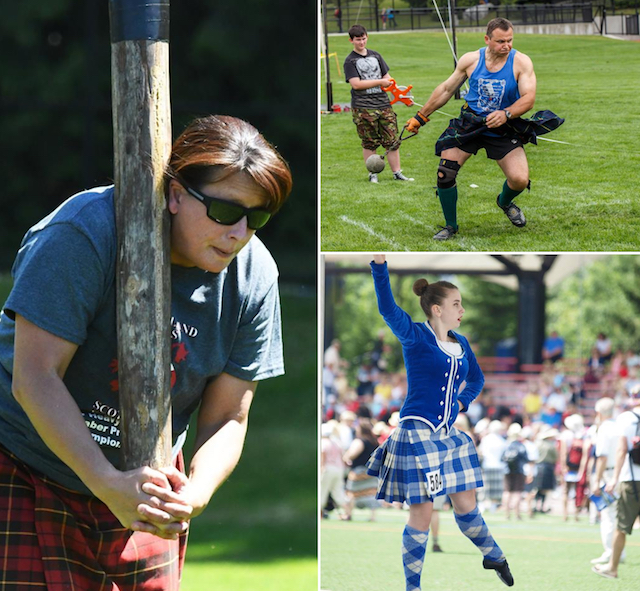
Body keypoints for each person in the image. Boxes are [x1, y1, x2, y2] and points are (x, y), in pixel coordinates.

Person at [0, 115, 292, 588]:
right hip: (23, 464)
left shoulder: (254, 279)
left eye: (256, 218)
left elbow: (228, 419)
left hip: (144, 485)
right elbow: (35, 377)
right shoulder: (86, 232)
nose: (238, 233)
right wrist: (105, 481)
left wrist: (195, 492)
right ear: (176, 193)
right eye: (223, 212)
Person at [365, 255, 514, 589]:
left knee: (466, 506)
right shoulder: (416, 336)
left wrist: (461, 403)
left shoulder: (461, 344)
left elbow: (476, 380)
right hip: (417, 434)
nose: (462, 310)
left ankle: (493, 555)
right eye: (456, 303)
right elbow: (388, 309)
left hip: (449, 436)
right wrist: (379, 266)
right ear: (436, 309)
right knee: (423, 511)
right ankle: (412, 586)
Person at [405, 17, 564, 240]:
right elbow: (446, 89)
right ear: (487, 39)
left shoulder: (521, 62)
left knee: (519, 180)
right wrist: (420, 117)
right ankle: (451, 226)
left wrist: (506, 113)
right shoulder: (470, 60)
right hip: (470, 122)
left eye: (509, 40)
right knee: (445, 173)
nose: (506, 45)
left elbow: (529, 98)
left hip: (502, 126)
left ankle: (505, 201)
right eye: (500, 41)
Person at [344, 24, 414, 183]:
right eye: (357, 40)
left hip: (383, 104)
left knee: (392, 140)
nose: (361, 43)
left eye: (363, 39)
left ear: (367, 37)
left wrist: (402, 97)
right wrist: (380, 82)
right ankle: (373, 174)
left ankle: (397, 173)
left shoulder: (376, 56)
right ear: (351, 40)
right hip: (363, 106)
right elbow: (356, 84)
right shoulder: (350, 61)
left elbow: (388, 80)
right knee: (370, 141)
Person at [592, 388, 640, 580]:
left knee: (621, 525)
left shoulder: (627, 418)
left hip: (631, 479)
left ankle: (612, 567)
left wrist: (614, 478)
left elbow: (621, 450)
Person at [590, 397, 626, 566]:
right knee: (618, 515)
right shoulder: (620, 425)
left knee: (608, 515)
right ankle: (619, 551)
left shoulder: (604, 428)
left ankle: (611, 551)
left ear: (599, 412)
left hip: (609, 473)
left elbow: (602, 457)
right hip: (623, 473)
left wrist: (596, 480)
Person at [343, 420, 381, 521]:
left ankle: (348, 514)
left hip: (359, 471)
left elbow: (352, 453)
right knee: (371, 492)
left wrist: (346, 457)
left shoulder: (360, 441)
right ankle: (373, 516)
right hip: (372, 471)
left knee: (351, 492)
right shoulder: (374, 441)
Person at [501, 422, 530, 520]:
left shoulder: (507, 445)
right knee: (517, 492)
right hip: (519, 471)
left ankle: (506, 514)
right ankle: (517, 514)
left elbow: (502, 458)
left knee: (507, 492)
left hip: (507, 471)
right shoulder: (521, 446)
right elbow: (526, 459)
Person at [321, 422, 348, 519]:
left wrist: (321, 468)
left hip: (328, 468)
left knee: (322, 491)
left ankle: (320, 514)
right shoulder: (337, 443)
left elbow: (322, 455)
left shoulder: (323, 442)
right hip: (339, 469)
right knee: (338, 491)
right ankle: (346, 512)